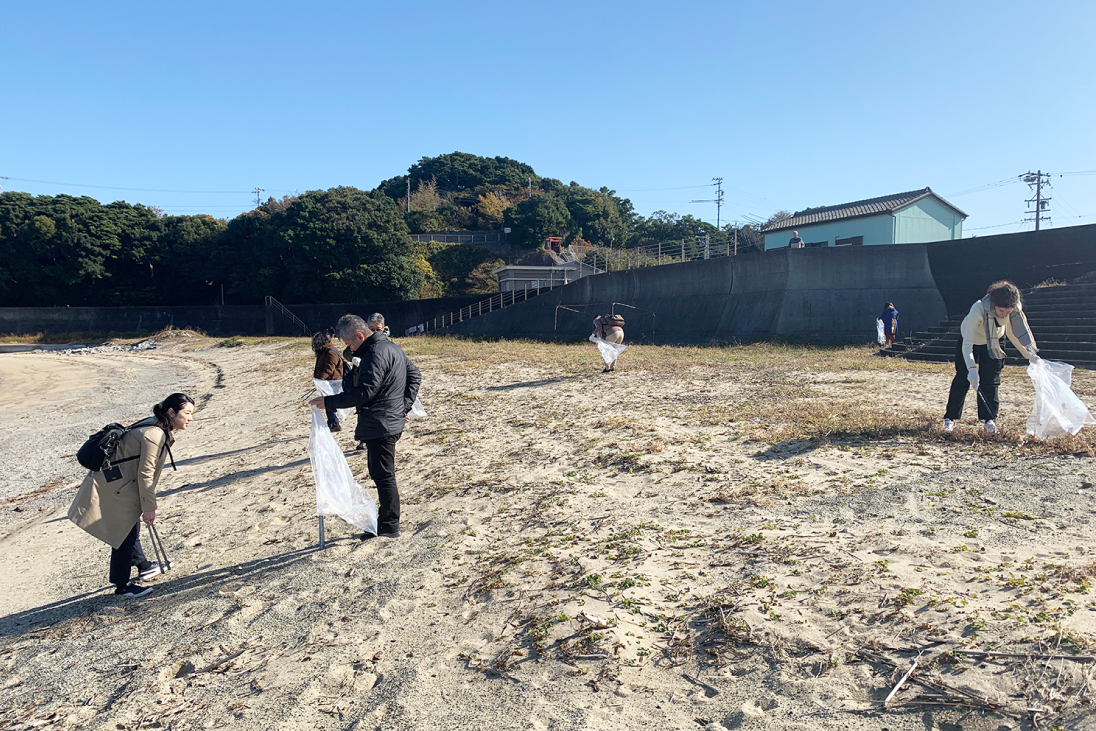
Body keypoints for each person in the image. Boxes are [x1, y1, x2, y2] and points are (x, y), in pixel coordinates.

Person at [69, 393, 195, 598]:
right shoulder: (155, 434)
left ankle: (144, 566)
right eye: (187, 413)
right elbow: (145, 473)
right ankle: (122, 586)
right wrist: (149, 507)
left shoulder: (155, 424)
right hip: (115, 488)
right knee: (124, 535)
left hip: (119, 484)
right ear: (171, 412)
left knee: (130, 529)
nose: (190, 418)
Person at [310, 313, 421, 539]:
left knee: (383, 475)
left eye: (349, 343)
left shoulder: (375, 353)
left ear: (360, 335)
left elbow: (365, 392)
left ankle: (390, 526)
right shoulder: (391, 348)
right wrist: (403, 407)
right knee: (382, 473)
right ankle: (387, 522)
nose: (348, 349)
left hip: (381, 423)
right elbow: (414, 375)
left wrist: (329, 402)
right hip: (387, 420)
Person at [943, 281, 1038, 435]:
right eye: (1001, 311)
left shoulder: (1014, 309)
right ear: (994, 304)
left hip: (994, 343)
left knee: (991, 380)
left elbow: (1013, 333)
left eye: (1008, 311)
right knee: (962, 379)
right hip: (971, 341)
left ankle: (989, 420)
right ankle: (949, 419)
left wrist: (1029, 354)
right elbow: (967, 344)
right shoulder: (978, 309)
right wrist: (972, 369)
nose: (1004, 315)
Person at [312, 331, 346, 432]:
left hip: (333, 382)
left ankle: (334, 423)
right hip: (327, 381)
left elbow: (329, 368)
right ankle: (332, 422)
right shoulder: (323, 351)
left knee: (330, 402)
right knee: (328, 402)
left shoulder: (331, 352)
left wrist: (320, 379)